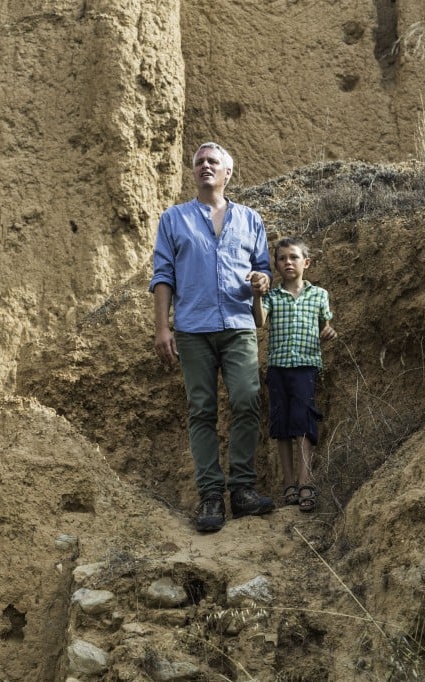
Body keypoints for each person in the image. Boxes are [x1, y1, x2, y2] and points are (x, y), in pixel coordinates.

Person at [150, 141, 276, 532]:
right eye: (199, 162)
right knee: (201, 410)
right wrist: (162, 327)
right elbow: (162, 275)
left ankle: (241, 490)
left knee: (246, 399)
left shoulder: (251, 219)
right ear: (194, 173)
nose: (205, 166)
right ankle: (210, 496)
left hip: (239, 325)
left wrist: (262, 280)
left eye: (213, 162)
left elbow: (264, 271)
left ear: (227, 174)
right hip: (192, 329)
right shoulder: (174, 219)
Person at [252, 237, 336, 512]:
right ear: (275, 265)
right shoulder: (273, 296)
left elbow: (327, 326)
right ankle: (288, 482)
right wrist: (257, 295)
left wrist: (329, 332)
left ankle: (305, 481)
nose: (288, 262)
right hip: (278, 368)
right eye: (282, 258)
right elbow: (259, 321)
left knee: (302, 422)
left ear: (306, 262)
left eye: (294, 257)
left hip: (305, 367)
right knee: (281, 424)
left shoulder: (319, 295)